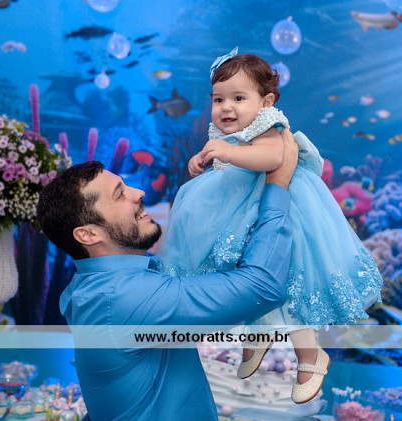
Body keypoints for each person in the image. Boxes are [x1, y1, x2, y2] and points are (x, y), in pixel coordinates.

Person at [157, 47, 384, 404]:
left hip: (283, 212)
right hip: (240, 212)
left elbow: (271, 157)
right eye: (218, 99)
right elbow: (226, 160)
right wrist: (201, 159)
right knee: (245, 277)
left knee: (289, 283)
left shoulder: (269, 126)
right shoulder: (230, 132)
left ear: (266, 102)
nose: (226, 107)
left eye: (238, 98)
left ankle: (311, 355)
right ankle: (258, 334)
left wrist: (228, 152)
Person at [36, 130, 299, 421]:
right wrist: (277, 184)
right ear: (88, 234)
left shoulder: (101, 287)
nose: (139, 193)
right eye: (119, 194)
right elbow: (263, 286)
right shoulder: (122, 297)